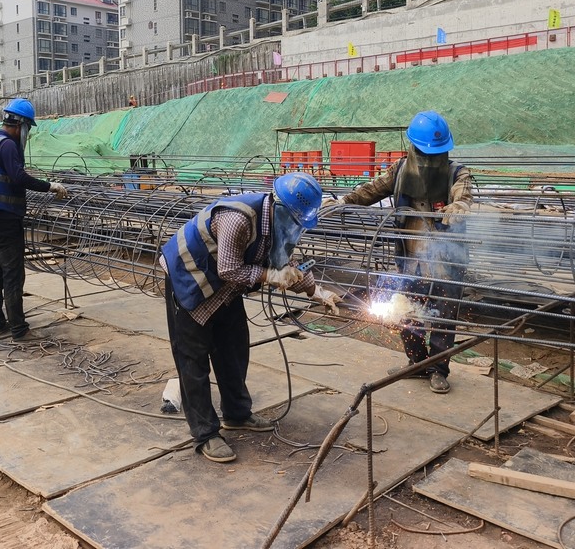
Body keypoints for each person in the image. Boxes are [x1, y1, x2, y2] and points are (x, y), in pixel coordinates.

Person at [160, 172, 342, 463]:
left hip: (226, 287)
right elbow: (230, 269)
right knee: (193, 358)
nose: (295, 228)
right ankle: (205, 434)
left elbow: (285, 261)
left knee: (233, 348)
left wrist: (316, 291)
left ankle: (237, 414)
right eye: (295, 220)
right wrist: (269, 275)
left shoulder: (278, 222)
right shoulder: (239, 219)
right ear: (281, 208)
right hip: (190, 277)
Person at [334, 111, 473, 394]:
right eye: (426, 154)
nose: (431, 160)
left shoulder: (457, 172)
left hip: (446, 261)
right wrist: (343, 201)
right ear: (414, 148)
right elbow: (371, 190)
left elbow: (463, 195)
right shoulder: (399, 170)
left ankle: (438, 370)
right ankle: (416, 363)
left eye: (436, 154)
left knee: (444, 316)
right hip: (410, 259)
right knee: (406, 311)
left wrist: (458, 207)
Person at [0, 98, 67, 340]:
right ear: (20, 125)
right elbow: (18, 177)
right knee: (13, 274)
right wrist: (49, 186)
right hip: (5, 219)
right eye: (27, 129)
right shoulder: (8, 145)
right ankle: (19, 329)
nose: (27, 134)